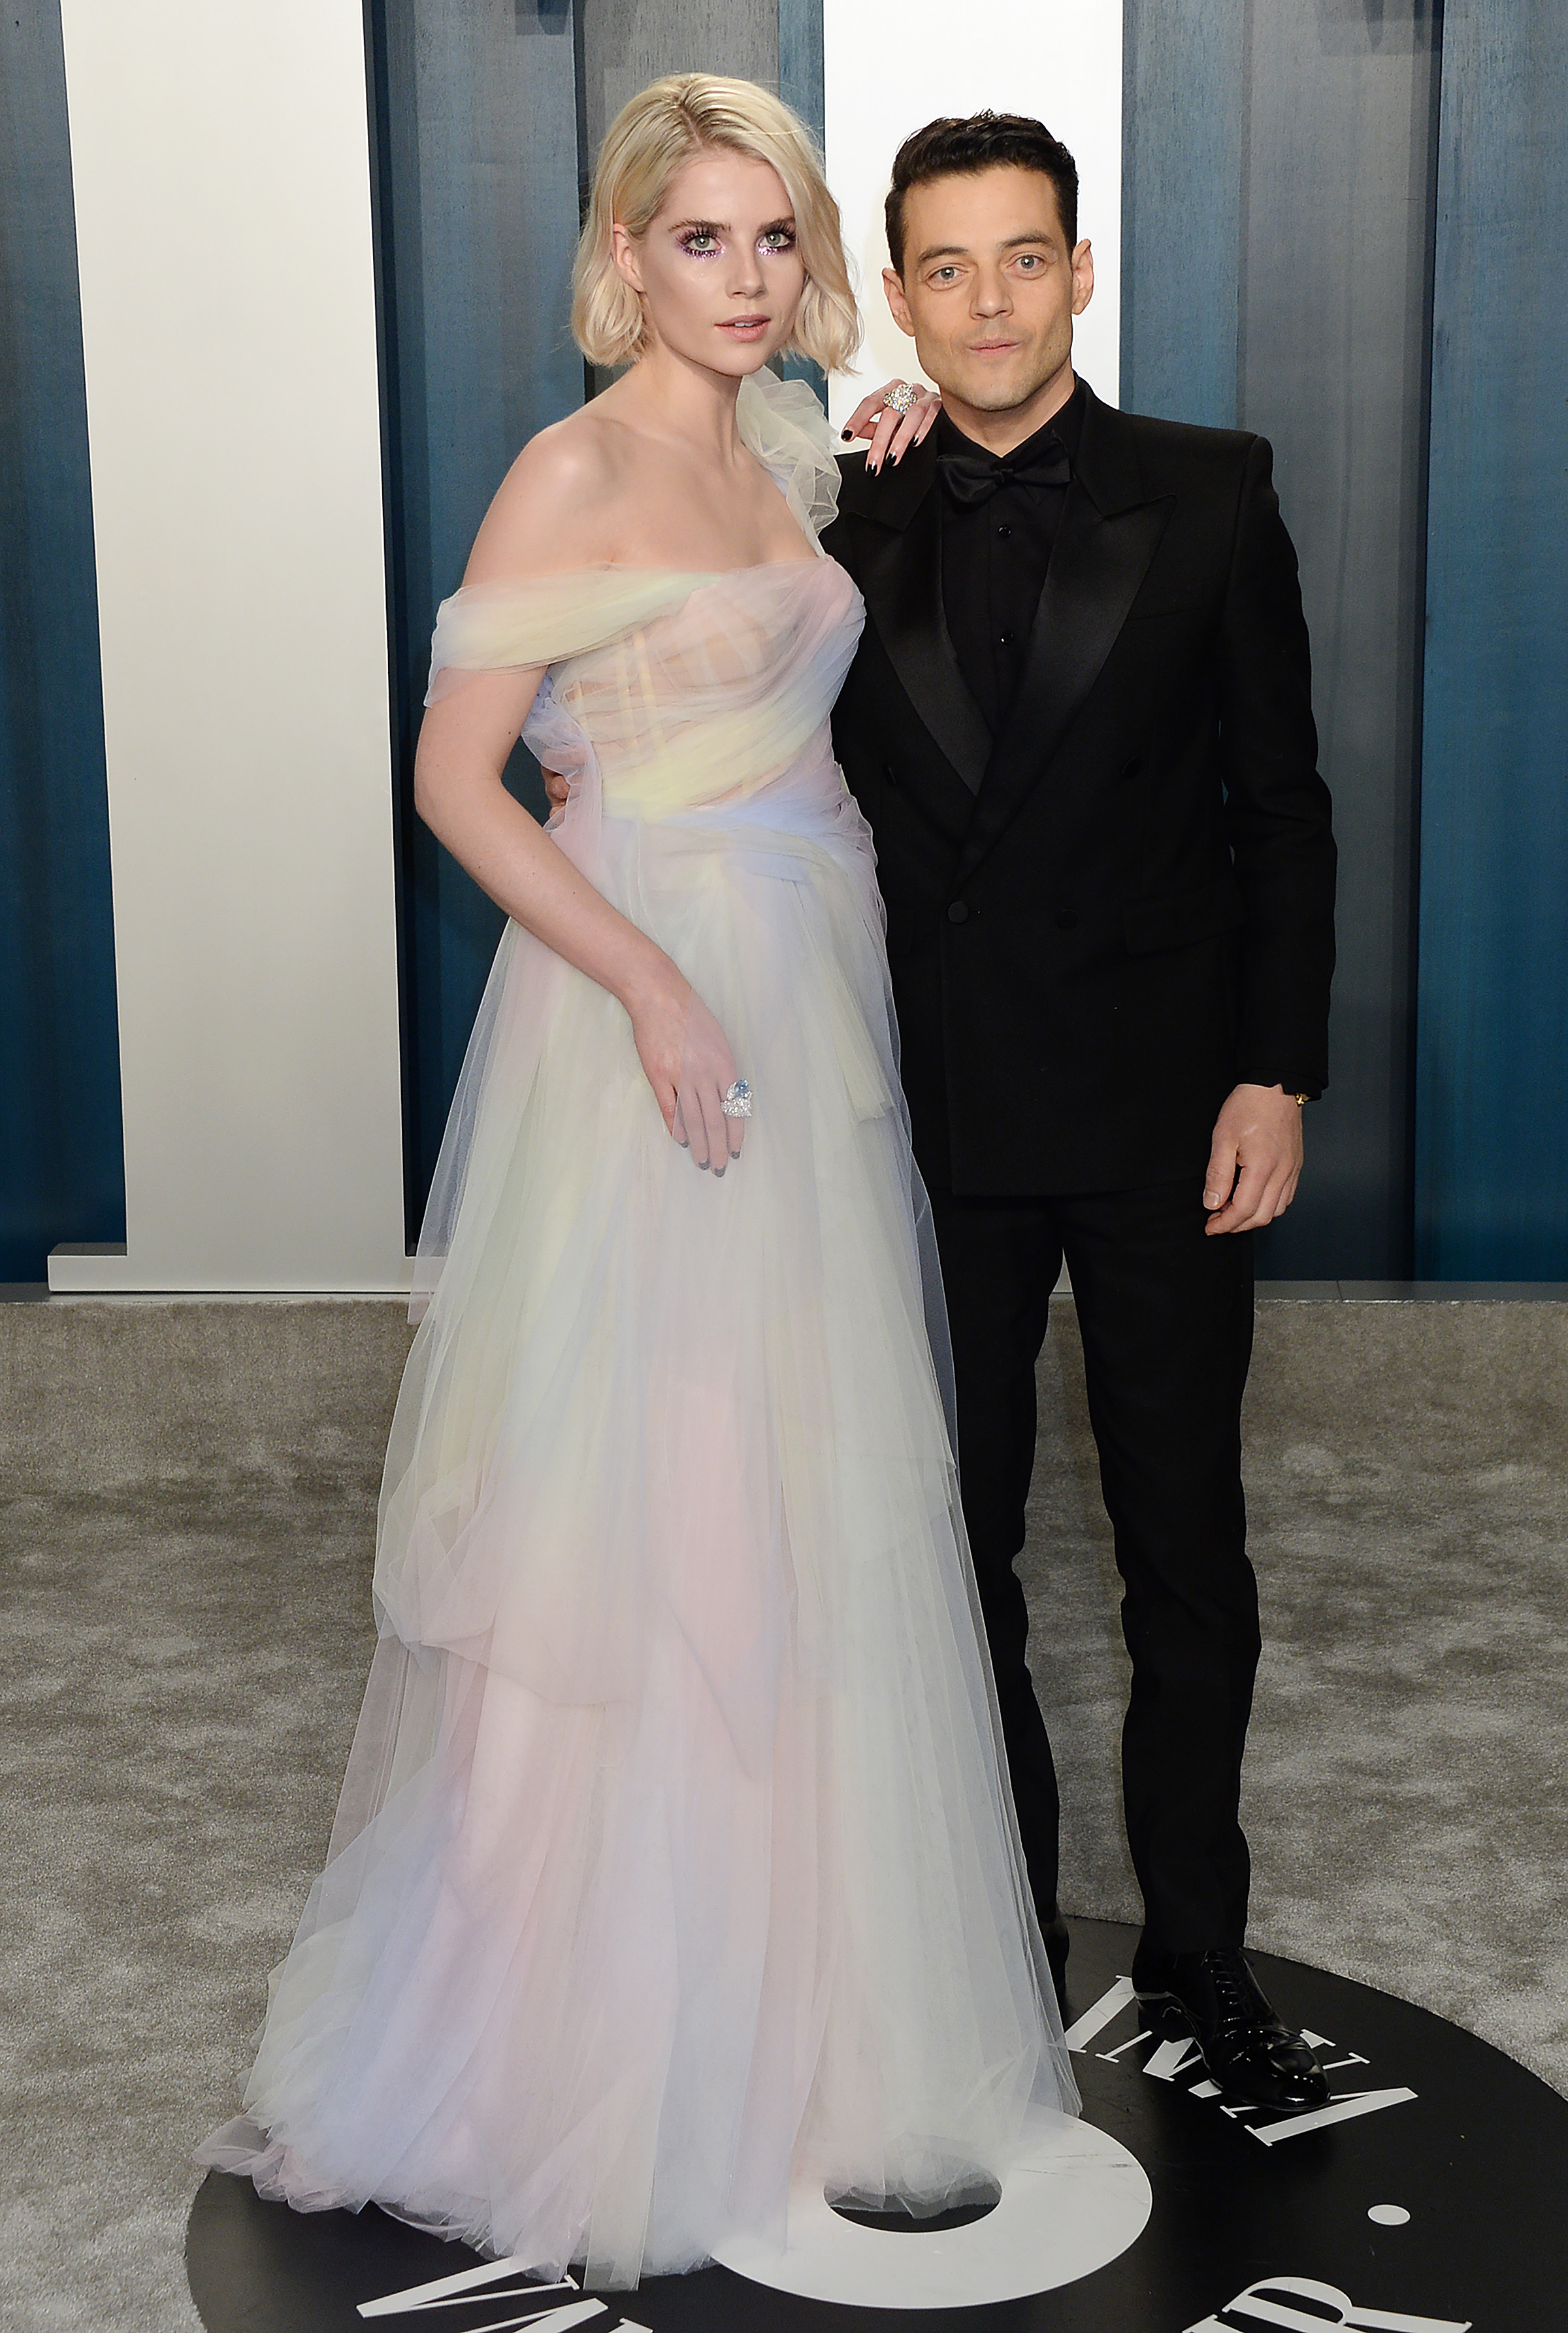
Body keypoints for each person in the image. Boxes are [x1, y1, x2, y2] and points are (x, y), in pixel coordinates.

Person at [196, 77, 1075, 2287]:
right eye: (702, 240)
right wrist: (653, 988)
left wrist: (857, 451)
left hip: (819, 1006)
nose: (748, 276)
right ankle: (601, 2036)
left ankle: (798, 2014)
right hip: (654, 1024)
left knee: (806, 1496)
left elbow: (810, 656)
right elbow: (457, 781)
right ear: (622, 252)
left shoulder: (787, 446)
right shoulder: (569, 470)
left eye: (775, 237)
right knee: (651, 1507)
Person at [823, 114, 1339, 2113]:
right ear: (895, 290)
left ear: (1084, 270)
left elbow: (1278, 808)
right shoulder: (840, 509)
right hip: (932, 1116)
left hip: (1162, 1112)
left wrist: (1274, 1068)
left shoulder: (1214, 494)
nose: (987, 303)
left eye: (1022, 259)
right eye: (944, 269)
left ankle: (1202, 1955)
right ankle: (1002, 1938)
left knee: (1182, 1540)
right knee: (950, 1547)